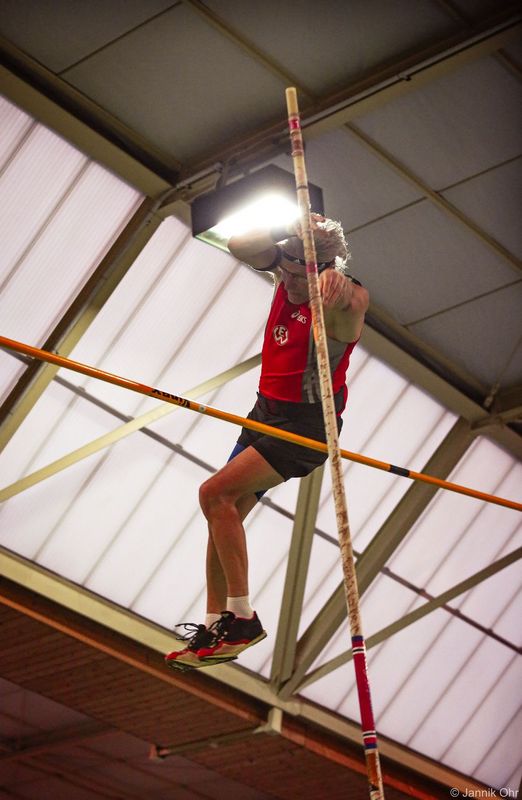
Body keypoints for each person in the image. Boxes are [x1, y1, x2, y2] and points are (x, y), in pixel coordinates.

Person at [165, 213, 369, 670]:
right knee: (222, 512)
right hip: (265, 413)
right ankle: (218, 623)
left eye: (300, 276)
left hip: (305, 427)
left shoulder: (335, 301)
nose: (290, 283)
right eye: (286, 272)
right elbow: (239, 244)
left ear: (322, 270)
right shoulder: (287, 270)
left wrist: (337, 282)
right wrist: (287, 230)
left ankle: (243, 617)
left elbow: (356, 302)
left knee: (213, 493)